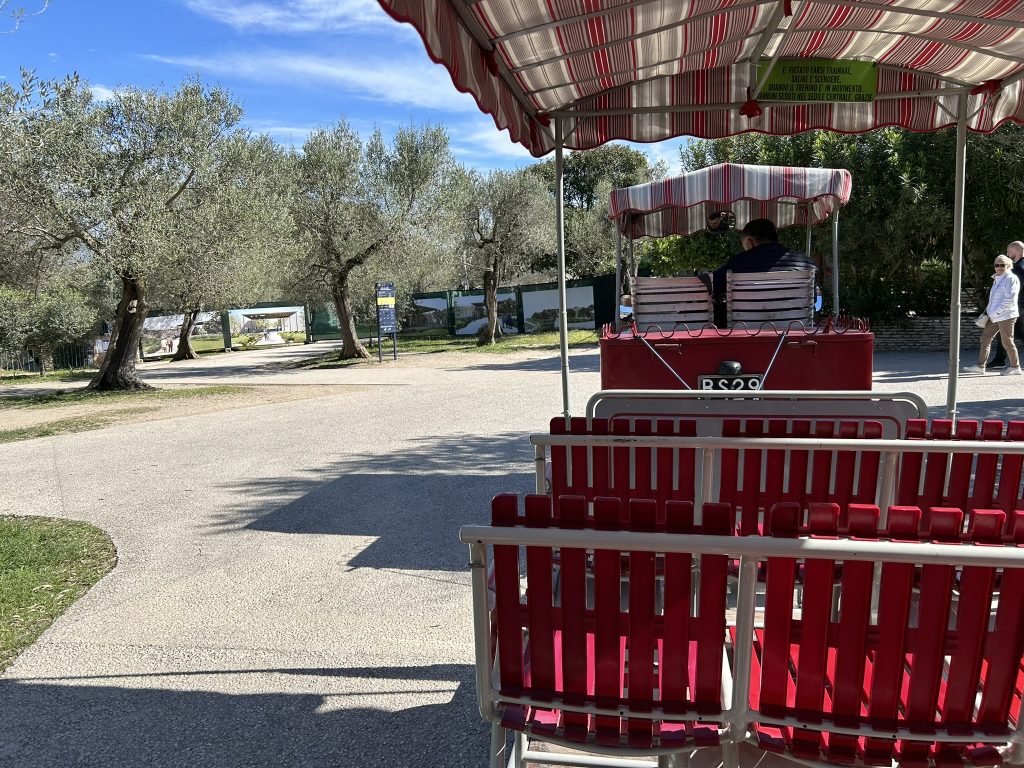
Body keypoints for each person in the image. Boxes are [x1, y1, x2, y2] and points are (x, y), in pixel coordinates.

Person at [710, 218, 817, 324]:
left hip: (747, 332)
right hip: (795, 331)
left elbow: (710, 284)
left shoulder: (737, 263)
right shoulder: (807, 264)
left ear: (750, 242)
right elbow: (814, 301)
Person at [964, 254, 1022, 375]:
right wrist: (990, 312)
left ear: (1008, 265)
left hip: (1006, 315)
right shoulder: (997, 278)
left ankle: (1015, 367)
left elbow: (1009, 299)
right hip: (994, 315)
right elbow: (994, 299)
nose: (999, 267)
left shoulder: (1011, 278)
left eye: (1002, 265)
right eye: (997, 265)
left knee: (1007, 341)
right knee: (985, 338)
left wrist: (995, 312)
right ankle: (980, 366)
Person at [987, 240, 1024, 368]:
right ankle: (999, 359)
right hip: (1017, 307)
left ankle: (1002, 361)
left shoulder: (1019, 268)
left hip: (1016, 306)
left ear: (1016, 251)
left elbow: (1015, 290)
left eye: (1009, 252)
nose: (1008, 255)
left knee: (1008, 335)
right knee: (1009, 335)